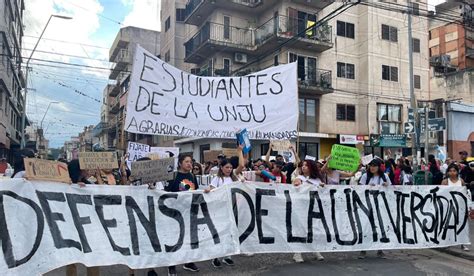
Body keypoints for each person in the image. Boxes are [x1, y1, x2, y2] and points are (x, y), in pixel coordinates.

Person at [148, 154, 199, 276]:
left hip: (188, 212)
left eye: (191, 162)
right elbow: (165, 194)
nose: (189, 164)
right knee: (173, 239)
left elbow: (196, 192)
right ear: (180, 163)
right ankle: (171, 264)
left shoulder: (192, 176)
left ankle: (188, 261)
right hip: (173, 214)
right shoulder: (173, 176)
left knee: (188, 238)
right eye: (186, 161)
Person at [204, 158, 238, 268]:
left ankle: (228, 256)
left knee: (231, 232)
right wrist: (208, 189)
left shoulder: (234, 178)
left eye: (231, 167)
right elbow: (211, 188)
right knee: (219, 232)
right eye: (227, 167)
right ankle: (216, 257)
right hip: (220, 210)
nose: (229, 169)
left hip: (232, 208)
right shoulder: (218, 179)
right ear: (221, 168)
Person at [292, 159, 325, 263]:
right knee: (300, 229)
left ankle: (315, 250)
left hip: (314, 208)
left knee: (314, 229)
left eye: (306, 165)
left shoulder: (318, 180)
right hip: (301, 208)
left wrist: (322, 187)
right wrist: (297, 182)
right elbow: (295, 184)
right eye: (303, 165)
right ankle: (297, 253)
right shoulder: (299, 177)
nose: (304, 167)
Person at [359, 158, 390, 259]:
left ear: (378, 167)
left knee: (380, 227)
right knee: (366, 227)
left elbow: (392, 190)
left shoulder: (384, 176)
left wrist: (387, 185)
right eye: (370, 166)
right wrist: (367, 187)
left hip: (380, 206)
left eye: (374, 166)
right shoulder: (365, 176)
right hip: (367, 206)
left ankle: (380, 249)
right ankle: (363, 250)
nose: (372, 168)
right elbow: (359, 189)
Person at [441, 163, 470, 251]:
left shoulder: (461, 181)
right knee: (448, 224)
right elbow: (441, 194)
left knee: (462, 224)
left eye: (454, 171)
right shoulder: (445, 181)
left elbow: (465, 193)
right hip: (449, 206)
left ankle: (463, 243)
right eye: (450, 171)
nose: (452, 173)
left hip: (460, 206)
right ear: (448, 172)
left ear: (457, 172)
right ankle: (448, 243)